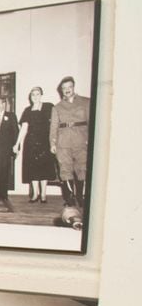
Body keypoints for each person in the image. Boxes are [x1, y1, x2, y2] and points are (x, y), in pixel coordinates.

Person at [49, 75, 91, 213]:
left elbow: (92, 122)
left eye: (69, 87)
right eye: (64, 88)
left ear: (73, 87)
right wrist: (53, 143)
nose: (67, 90)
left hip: (81, 140)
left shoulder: (86, 102)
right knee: (65, 169)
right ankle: (69, 198)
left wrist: (91, 139)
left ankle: (80, 196)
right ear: (61, 90)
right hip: (63, 142)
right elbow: (53, 127)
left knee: (82, 168)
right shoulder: (57, 107)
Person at [16, 86, 56, 203]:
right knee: (32, 168)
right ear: (30, 97)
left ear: (41, 95)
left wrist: (54, 141)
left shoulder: (49, 107)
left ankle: (43, 194)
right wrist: (17, 143)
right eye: (33, 94)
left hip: (44, 142)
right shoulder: (27, 110)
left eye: (37, 94)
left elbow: (54, 124)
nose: (35, 96)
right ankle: (35, 194)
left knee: (44, 168)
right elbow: (24, 128)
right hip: (31, 143)